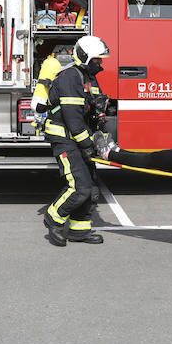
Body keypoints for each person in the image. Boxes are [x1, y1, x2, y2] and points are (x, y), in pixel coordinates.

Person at [42, 35, 110, 246]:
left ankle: (79, 230)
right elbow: (73, 119)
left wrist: (100, 114)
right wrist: (89, 145)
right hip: (65, 138)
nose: (100, 63)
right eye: (97, 59)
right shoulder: (71, 77)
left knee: (90, 187)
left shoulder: (88, 77)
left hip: (78, 137)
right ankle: (53, 218)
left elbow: (94, 106)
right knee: (79, 185)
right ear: (84, 57)